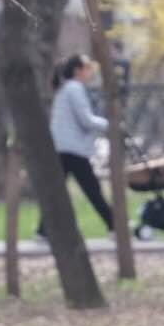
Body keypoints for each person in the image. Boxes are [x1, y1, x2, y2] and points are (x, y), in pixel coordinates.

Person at [41, 54, 114, 237]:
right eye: (88, 68)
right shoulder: (74, 89)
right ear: (78, 71)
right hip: (72, 149)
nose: (90, 72)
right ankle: (114, 226)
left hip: (64, 147)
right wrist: (111, 125)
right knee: (92, 190)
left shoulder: (66, 89)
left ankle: (42, 230)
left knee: (57, 192)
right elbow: (86, 120)